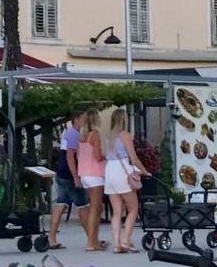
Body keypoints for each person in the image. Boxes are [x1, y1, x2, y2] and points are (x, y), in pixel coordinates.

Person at [101, 108, 149, 253]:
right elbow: (133, 157)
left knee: (116, 211)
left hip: (109, 171)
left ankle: (116, 244)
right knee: (133, 208)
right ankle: (126, 241)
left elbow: (104, 154)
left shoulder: (108, 137)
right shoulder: (125, 136)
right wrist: (145, 171)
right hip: (122, 171)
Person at [47, 111, 89, 249]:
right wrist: (76, 177)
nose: (85, 121)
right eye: (83, 118)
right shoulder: (73, 135)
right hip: (69, 175)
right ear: (76, 119)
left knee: (60, 204)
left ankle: (52, 238)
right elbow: (70, 157)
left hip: (62, 174)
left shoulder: (68, 133)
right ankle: (92, 238)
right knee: (82, 205)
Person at [76, 109, 110, 250]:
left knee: (93, 208)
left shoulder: (81, 137)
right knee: (96, 209)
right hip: (95, 174)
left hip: (84, 174)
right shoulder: (94, 135)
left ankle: (93, 240)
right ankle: (92, 242)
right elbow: (97, 156)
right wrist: (105, 155)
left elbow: (78, 156)